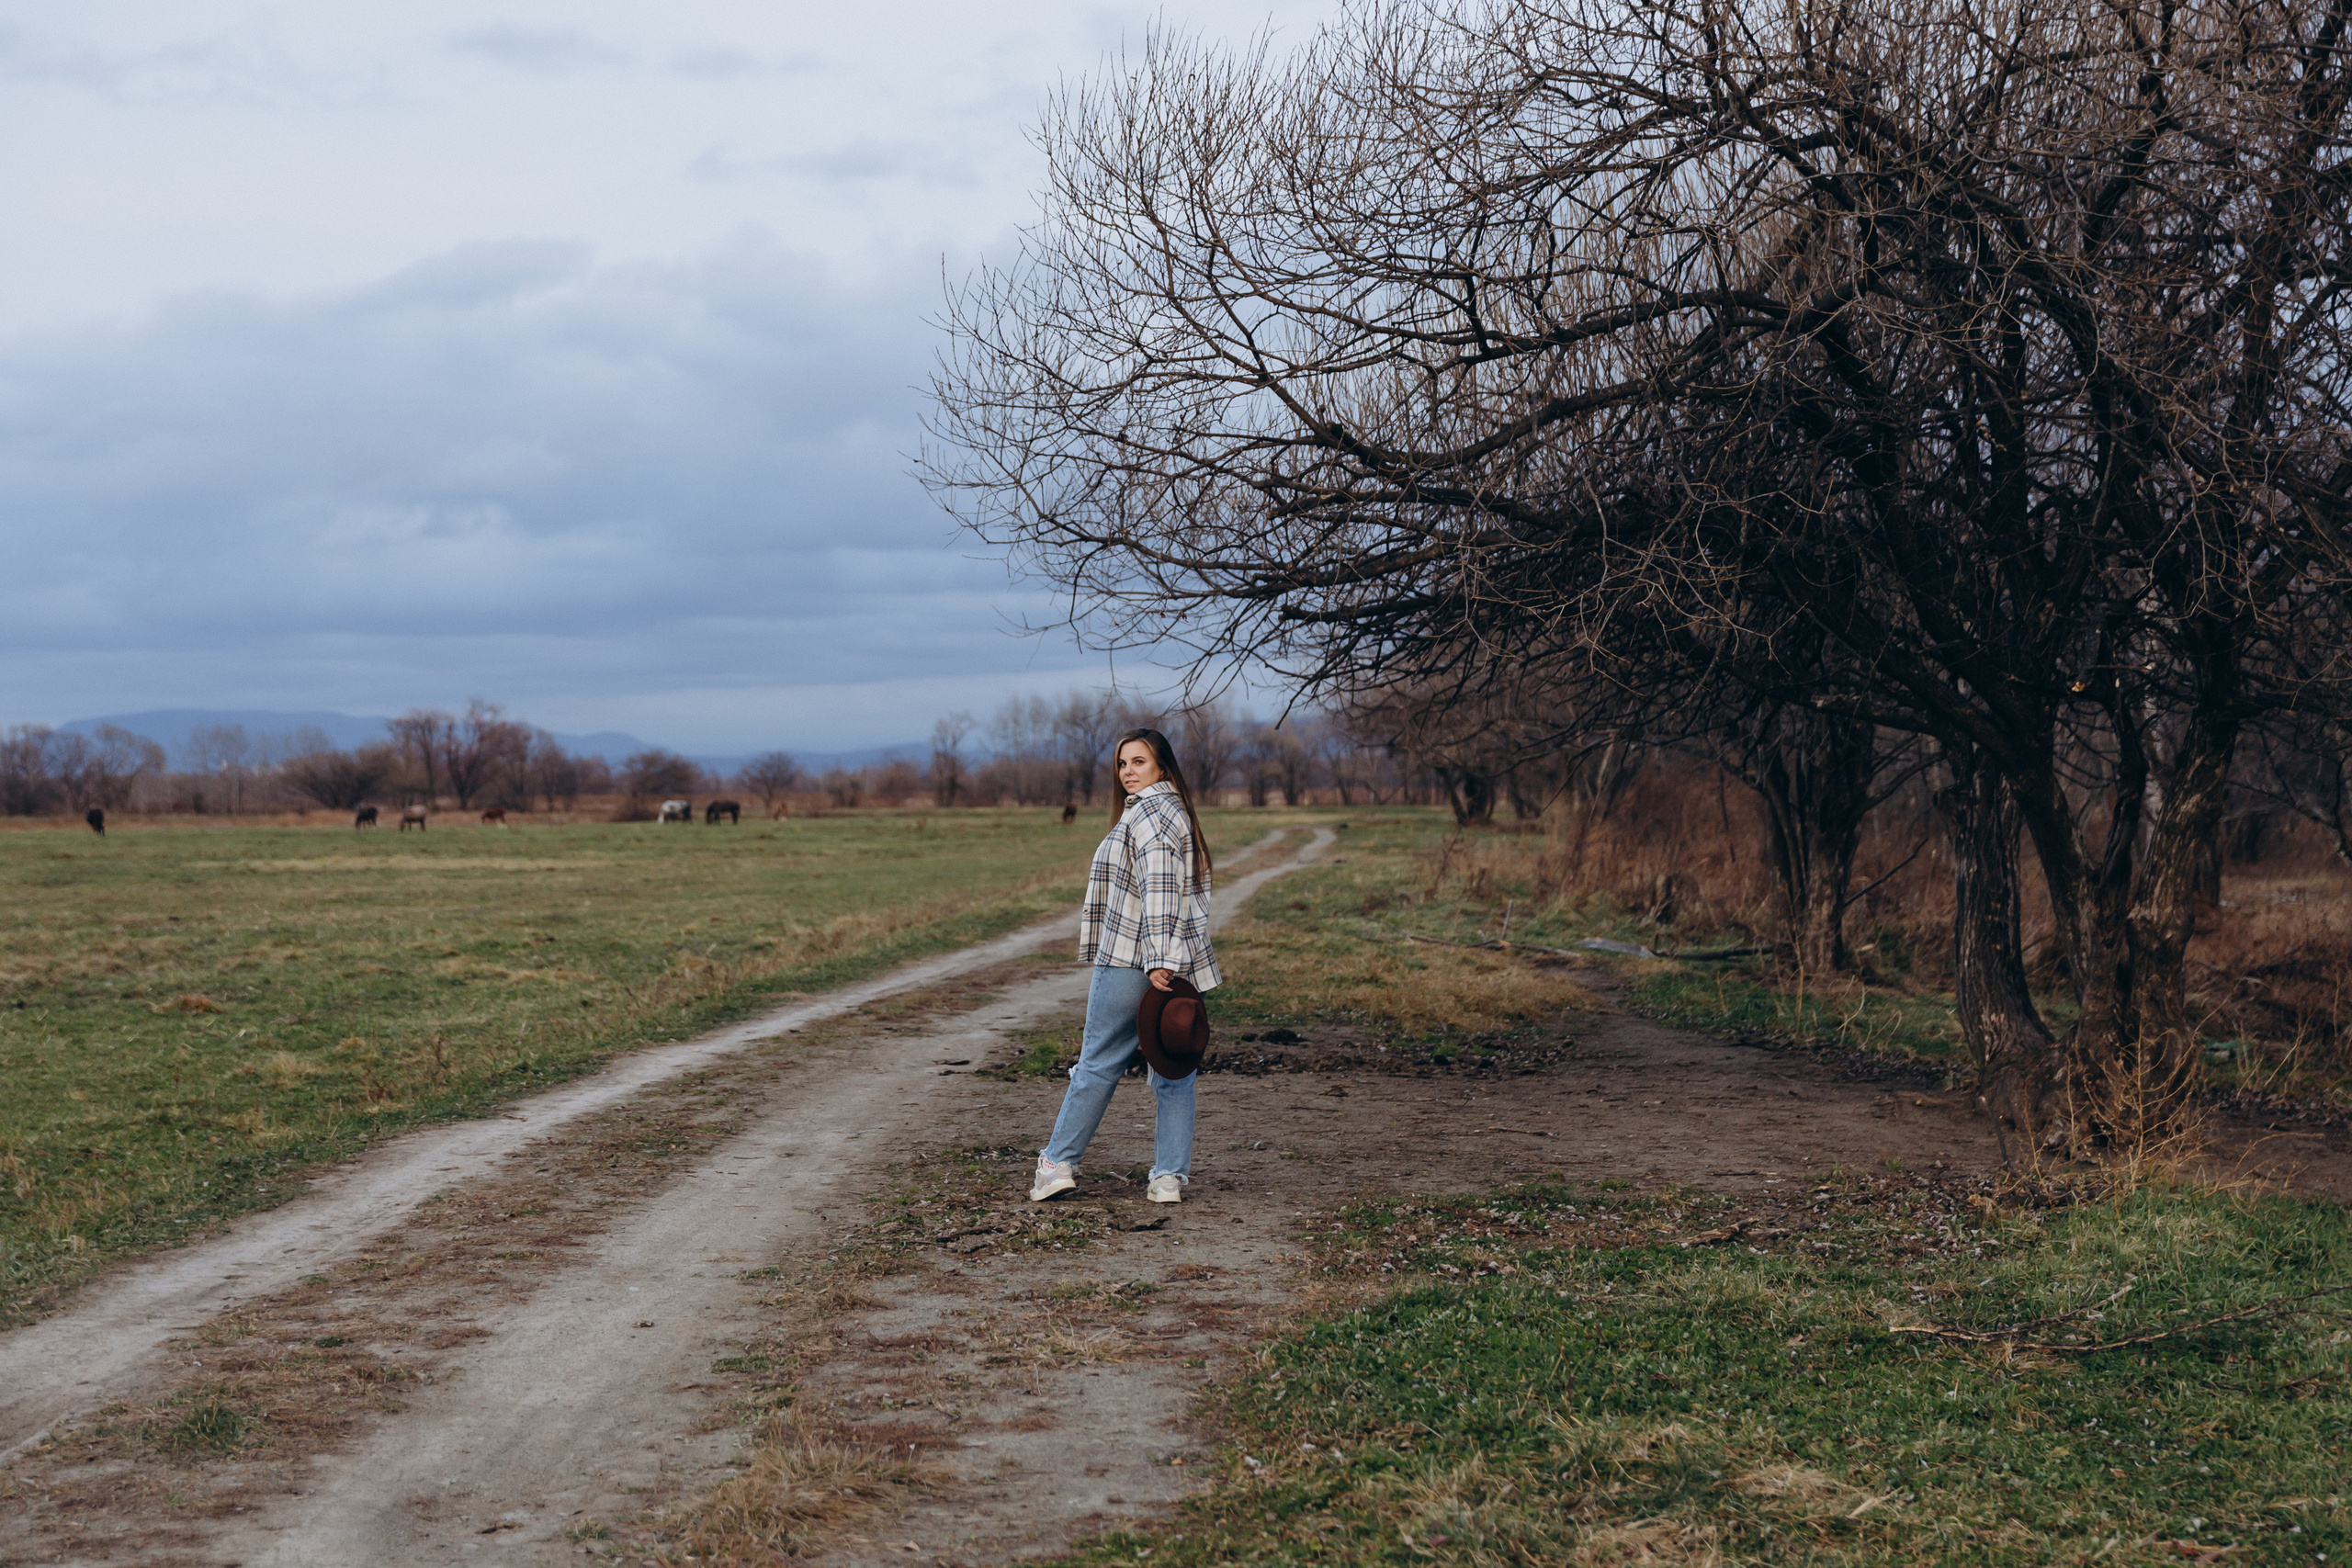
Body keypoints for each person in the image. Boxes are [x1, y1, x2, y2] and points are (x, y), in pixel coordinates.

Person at [1032, 728, 1219, 1205]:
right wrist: (1172, 961)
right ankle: (1168, 1178)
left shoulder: (1152, 818)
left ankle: (1056, 1164)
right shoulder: (1172, 812)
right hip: (1179, 964)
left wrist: (1159, 960)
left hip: (1134, 960)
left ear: (1163, 767)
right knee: (1174, 1069)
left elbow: (1159, 890)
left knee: (1098, 1062)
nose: (1128, 773)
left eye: (1139, 762)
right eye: (1122, 764)